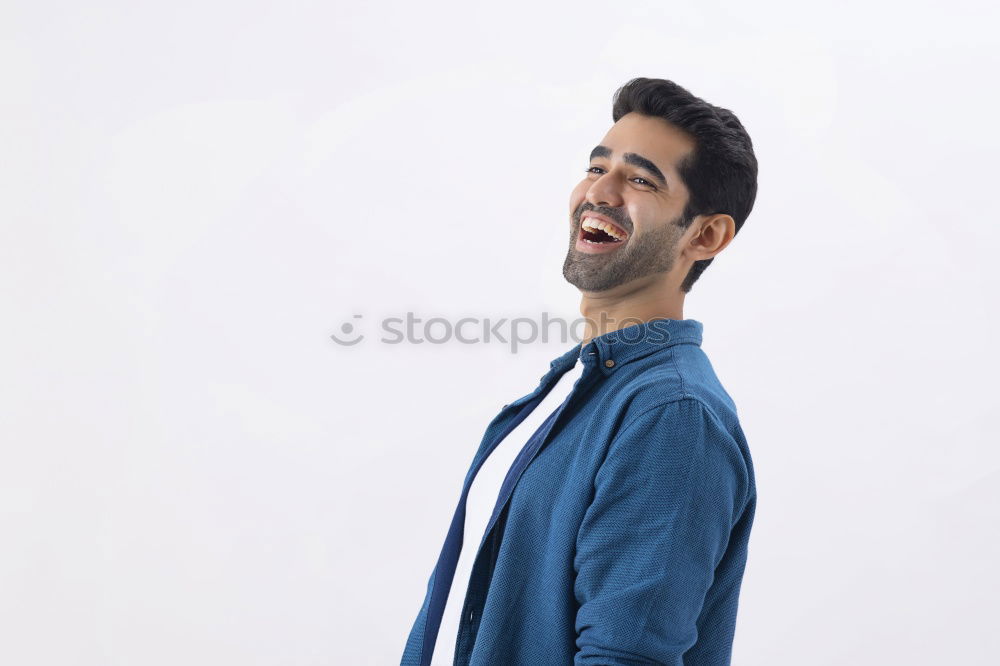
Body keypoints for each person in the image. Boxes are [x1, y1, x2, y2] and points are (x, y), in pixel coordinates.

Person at [400, 77, 759, 666]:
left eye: (641, 179)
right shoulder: (575, 388)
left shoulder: (672, 414)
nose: (601, 191)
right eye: (596, 168)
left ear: (706, 235)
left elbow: (627, 656)